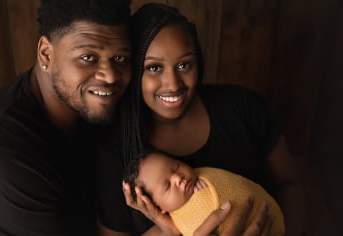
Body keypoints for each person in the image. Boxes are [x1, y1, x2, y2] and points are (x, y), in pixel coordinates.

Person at [95, 3, 306, 236]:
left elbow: (289, 184)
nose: (173, 84)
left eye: (185, 65)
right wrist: (168, 230)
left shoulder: (243, 108)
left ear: (199, 62)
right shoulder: (115, 151)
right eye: (154, 68)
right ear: (134, 72)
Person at [0, 0, 133, 235]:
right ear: (46, 55)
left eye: (120, 59)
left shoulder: (88, 106)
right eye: (88, 57)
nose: (110, 76)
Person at [123, 149, 285, 236]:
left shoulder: (199, 174)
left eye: (176, 166)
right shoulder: (182, 222)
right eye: (167, 186)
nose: (178, 178)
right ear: (158, 206)